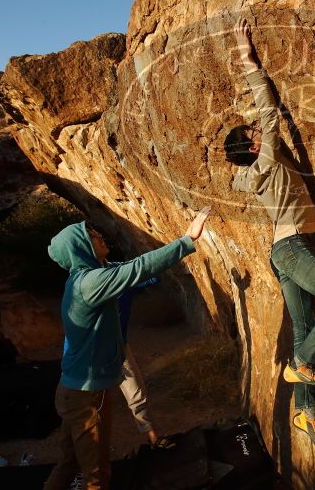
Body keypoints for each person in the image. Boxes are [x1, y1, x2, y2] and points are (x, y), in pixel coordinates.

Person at [224, 19, 315, 460]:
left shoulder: (254, 172)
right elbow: (268, 110)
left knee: (303, 327)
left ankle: (306, 412)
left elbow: (267, 125)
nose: (259, 131)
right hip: (294, 246)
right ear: (251, 144)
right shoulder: (264, 162)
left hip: (284, 252)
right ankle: (303, 366)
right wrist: (247, 59)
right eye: (254, 134)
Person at [44, 207, 210, 490]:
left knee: (70, 462)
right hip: (83, 396)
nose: (100, 237)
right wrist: (186, 240)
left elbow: (130, 269)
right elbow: (138, 268)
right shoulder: (89, 283)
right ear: (81, 246)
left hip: (83, 391)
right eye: (93, 236)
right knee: (97, 474)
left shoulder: (90, 275)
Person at [61, 277, 172, 447]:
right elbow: (74, 326)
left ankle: (153, 438)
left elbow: (149, 275)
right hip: (93, 353)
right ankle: (82, 449)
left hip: (119, 348)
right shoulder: (85, 288)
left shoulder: (123, 281)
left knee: (136, 392)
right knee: (91, 401)